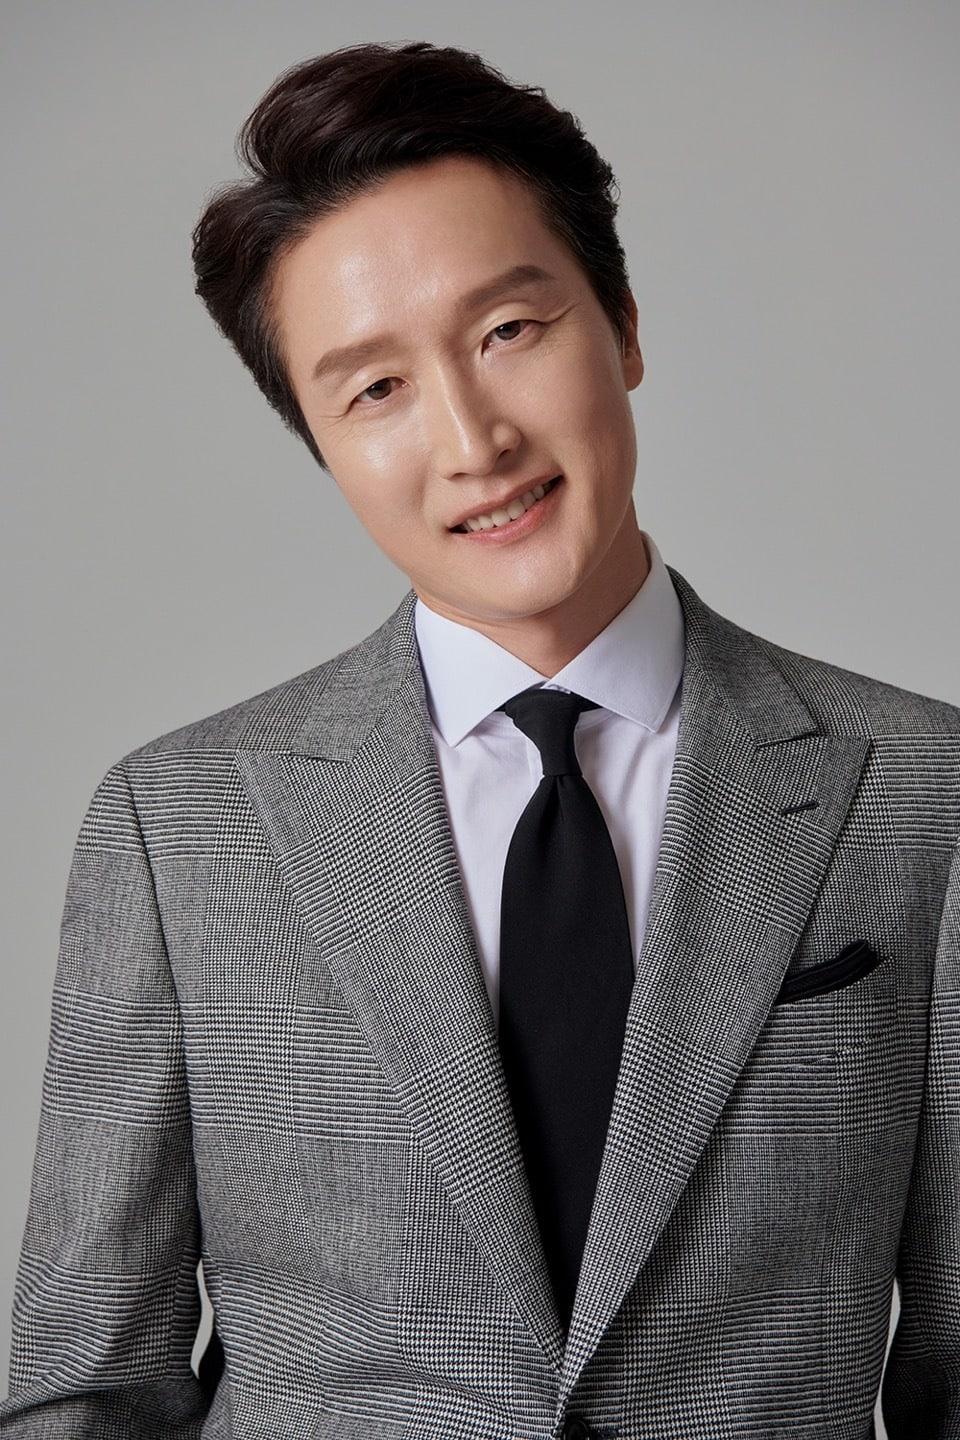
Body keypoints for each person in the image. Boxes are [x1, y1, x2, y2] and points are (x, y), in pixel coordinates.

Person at [1, 39, 957, 1440]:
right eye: (374, 389)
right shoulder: (178, 823)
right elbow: (88, 1383)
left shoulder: (925, 794)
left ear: (623, 326)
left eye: (510, 331)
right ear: (320, 440)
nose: (471, 439)